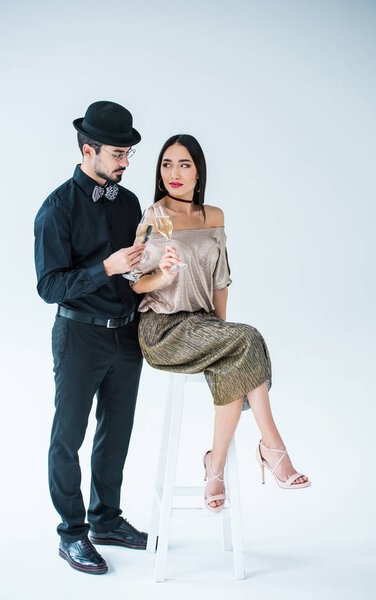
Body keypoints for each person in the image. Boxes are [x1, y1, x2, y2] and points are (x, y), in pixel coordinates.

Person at [133, 134, 310, 513]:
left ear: (199, 171)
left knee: (239, 349)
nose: (174, 173)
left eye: (184, 164)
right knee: (248, 339)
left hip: (202, 326)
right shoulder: (156, 217)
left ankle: (215, 467)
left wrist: (221, 336)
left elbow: (219, 281)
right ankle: (272, 449)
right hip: (162, 329)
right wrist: (162, 278)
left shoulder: (213, 216)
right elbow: (137, 283)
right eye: (167, 164)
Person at [34, 101, 148, 575]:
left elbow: (138, 268)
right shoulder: (57, 208)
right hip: (78, 335)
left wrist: (152, 267)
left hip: (127, 335)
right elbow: (49, 286)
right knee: (68, 438)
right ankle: (72, 534)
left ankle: (106, 520)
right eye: (118, 154)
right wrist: (107, 267)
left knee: (116, 434)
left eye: (128, 155)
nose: (125, 163)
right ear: (89, 150)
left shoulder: (130, 201)